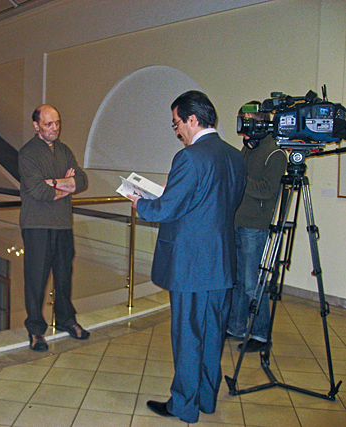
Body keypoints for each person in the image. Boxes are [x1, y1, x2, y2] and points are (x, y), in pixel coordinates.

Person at [129, 91, 246, 423]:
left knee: (188, 336)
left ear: (192, 119)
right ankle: (206, 399)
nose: (177, 130)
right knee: (212, 334)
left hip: (191, 264)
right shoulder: (234, 156)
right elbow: (224, 204)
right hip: (221, 261)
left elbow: (167, 208)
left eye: (177, 123)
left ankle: (183, 406)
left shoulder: (190, 158)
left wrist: (141, 203)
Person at [18, 104, 90, 352]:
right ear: (36, 125)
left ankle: (66, 320)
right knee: (36, 280)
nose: (55, 128)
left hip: (61, 224)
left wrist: (55, 184)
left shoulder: (64, 150)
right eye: (48, 124)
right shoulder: (27, 154)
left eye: (57, 123)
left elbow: (81, 180)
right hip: (36, 224)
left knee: (63, 276)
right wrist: (64, 185)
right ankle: (36, 330)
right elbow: (38, 190)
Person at [227, 102, 287, 352]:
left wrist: (240, 179)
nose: (244, 130)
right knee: (239, 280)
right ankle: (236, 326)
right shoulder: (248, 149)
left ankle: (261, 335)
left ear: (260, 122)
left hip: (255, 226)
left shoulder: (276, 154)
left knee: (254, 283)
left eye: (247, 122)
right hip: (237, 222)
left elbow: (266, 190)